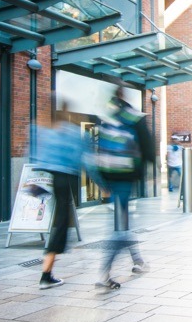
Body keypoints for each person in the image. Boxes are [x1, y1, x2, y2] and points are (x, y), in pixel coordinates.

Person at [96, 87, 155, 290]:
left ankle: (138, 261)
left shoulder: (108, 117)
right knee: (120, 227)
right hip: (125, 177)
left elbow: (99, 149)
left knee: (123, 220)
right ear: (126, 97)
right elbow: (148, 149)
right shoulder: (135, 117)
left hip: (110, 177)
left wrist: (103, 181)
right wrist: (146, 173)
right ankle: (104, 274)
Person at [34, 103, 84, 289]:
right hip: (65, 180)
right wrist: (102, 184)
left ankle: (47, 272)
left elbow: (37, 156)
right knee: (60, 225)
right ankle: (45, 275)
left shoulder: (46, 131)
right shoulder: (72, 133)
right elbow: (84, 159)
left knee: (60, 224)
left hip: (51, 180)